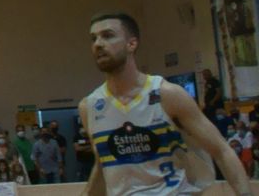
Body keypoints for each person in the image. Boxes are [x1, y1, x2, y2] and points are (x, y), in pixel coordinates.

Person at [82, 12, 248, 196]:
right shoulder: (89, 106)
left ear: (132, 44)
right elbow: (102, 163)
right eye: (93, 38)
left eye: (107, 35)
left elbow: (222, 150)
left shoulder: (168, 94)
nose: (98, 44)